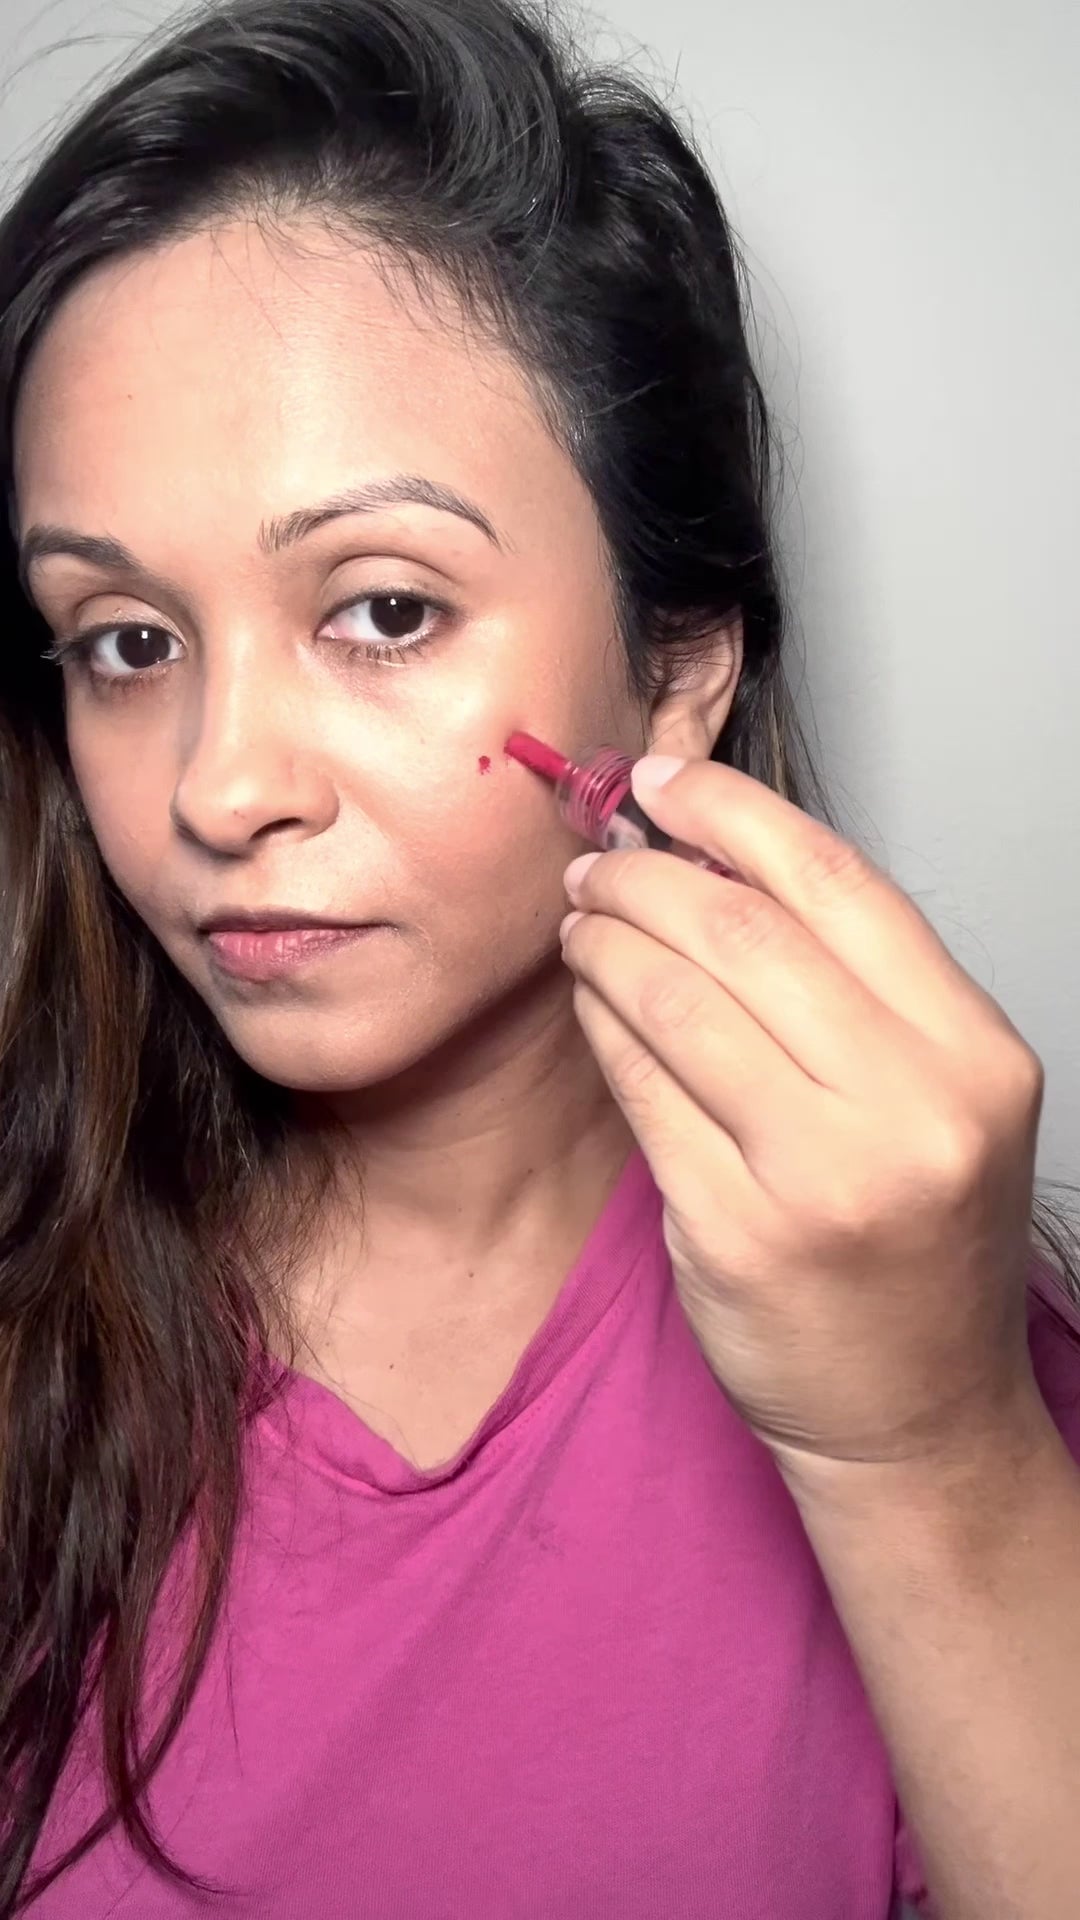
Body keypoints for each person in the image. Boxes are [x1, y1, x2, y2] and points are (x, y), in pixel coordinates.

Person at [1, 0, 1078, 1914]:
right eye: (126, 642)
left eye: (384, 610)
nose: (219, 788)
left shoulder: (945, 1361)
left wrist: (931, 1451)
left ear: (676, 671)